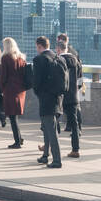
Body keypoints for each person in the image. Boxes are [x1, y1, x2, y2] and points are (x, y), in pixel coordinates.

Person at [31, 36, 65, 167]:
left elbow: (36, 82)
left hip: (46, 99)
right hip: (58, 98)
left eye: (37, 47)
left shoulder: (39, 59)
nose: (37, 49)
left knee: (51, 131)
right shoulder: (59, 57)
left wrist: (39, 93)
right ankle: (45, 155)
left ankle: (57, 160)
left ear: (40, 46)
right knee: (47, 128)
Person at [55, 33, 82, 159]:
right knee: (74, 123)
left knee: (52, 121)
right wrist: (77, 90)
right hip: (73, 95)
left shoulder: (59, 60)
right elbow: (80, 78)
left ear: (59, 49)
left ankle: (49, 146)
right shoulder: (75, 59)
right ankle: (75, 149)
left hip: (61, 95)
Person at [0, 37, 28, 149]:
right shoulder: (21, 58)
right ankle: (19, 138)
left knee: (12, 116)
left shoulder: (6, 58)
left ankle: (17, 141)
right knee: (14, 116)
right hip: (20, 90)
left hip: (10, 90)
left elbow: (3, 77)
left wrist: (2, 89)